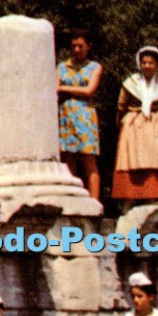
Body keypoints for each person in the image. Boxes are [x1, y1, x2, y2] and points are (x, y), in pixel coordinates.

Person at [112, 47, 158, 204]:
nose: (147, 66)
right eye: (144, 63)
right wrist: (123, 122)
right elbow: (121, 105)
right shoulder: (131, 83)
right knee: (131, 158)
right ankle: (130, 199)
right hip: (135, 122)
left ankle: (157, 196)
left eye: (151, 63)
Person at [58, 31, 103, 201]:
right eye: (73, 46)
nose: (76, 50)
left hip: (85, 114)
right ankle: (72, 199)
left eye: (80, 46)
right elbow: (54, 88)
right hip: (67, 114)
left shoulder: (94, 67)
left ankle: (95, 201)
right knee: (69, 158)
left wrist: (64, 88)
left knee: (88, 159)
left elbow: (89, 90)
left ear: (88, 47)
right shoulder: (62, 67)